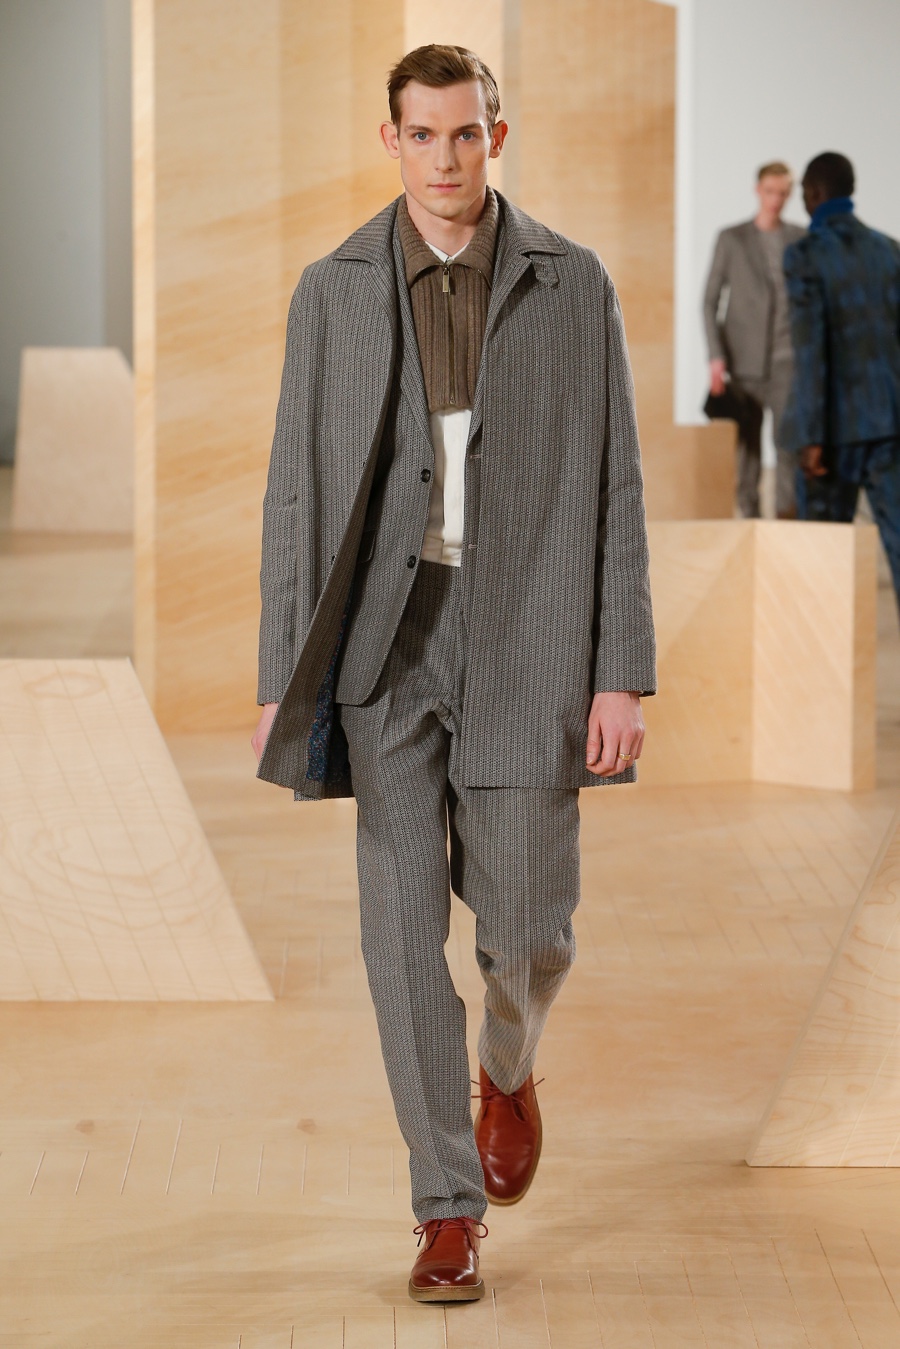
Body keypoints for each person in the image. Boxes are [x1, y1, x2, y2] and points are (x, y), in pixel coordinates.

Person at [252, 45, 656, 1303]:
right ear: (392, 140)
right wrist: (279, 671)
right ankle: (444, 1204)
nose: (444, 158)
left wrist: (620, 669)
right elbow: (293, 490)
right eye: (422, 135)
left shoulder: (572, 282)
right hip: (385, 636)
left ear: (497, 135)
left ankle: (510, 1066)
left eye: (465, 133)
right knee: (397, 933)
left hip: (530, 631)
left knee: (528, 924)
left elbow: (619, 483)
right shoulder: (332, 290)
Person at [781, 152, 900, 611]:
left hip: (832, 432)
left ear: (813, 194)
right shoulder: (889, 250)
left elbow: (811, 349)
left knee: (822, 562)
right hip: (890, 423)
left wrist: (811, 435)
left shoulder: (805, 255)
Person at [703, 162, 805, 519]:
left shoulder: (801, 239)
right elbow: (709, 301)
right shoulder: (731, 238)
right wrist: (716, 357)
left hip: (788, 358)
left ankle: (785, 524)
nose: (776, 199)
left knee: (788, 446)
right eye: (770, 191)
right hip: (743, 360)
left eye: (783, 193)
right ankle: (749, 523)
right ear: (757, 190)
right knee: (747, 450)